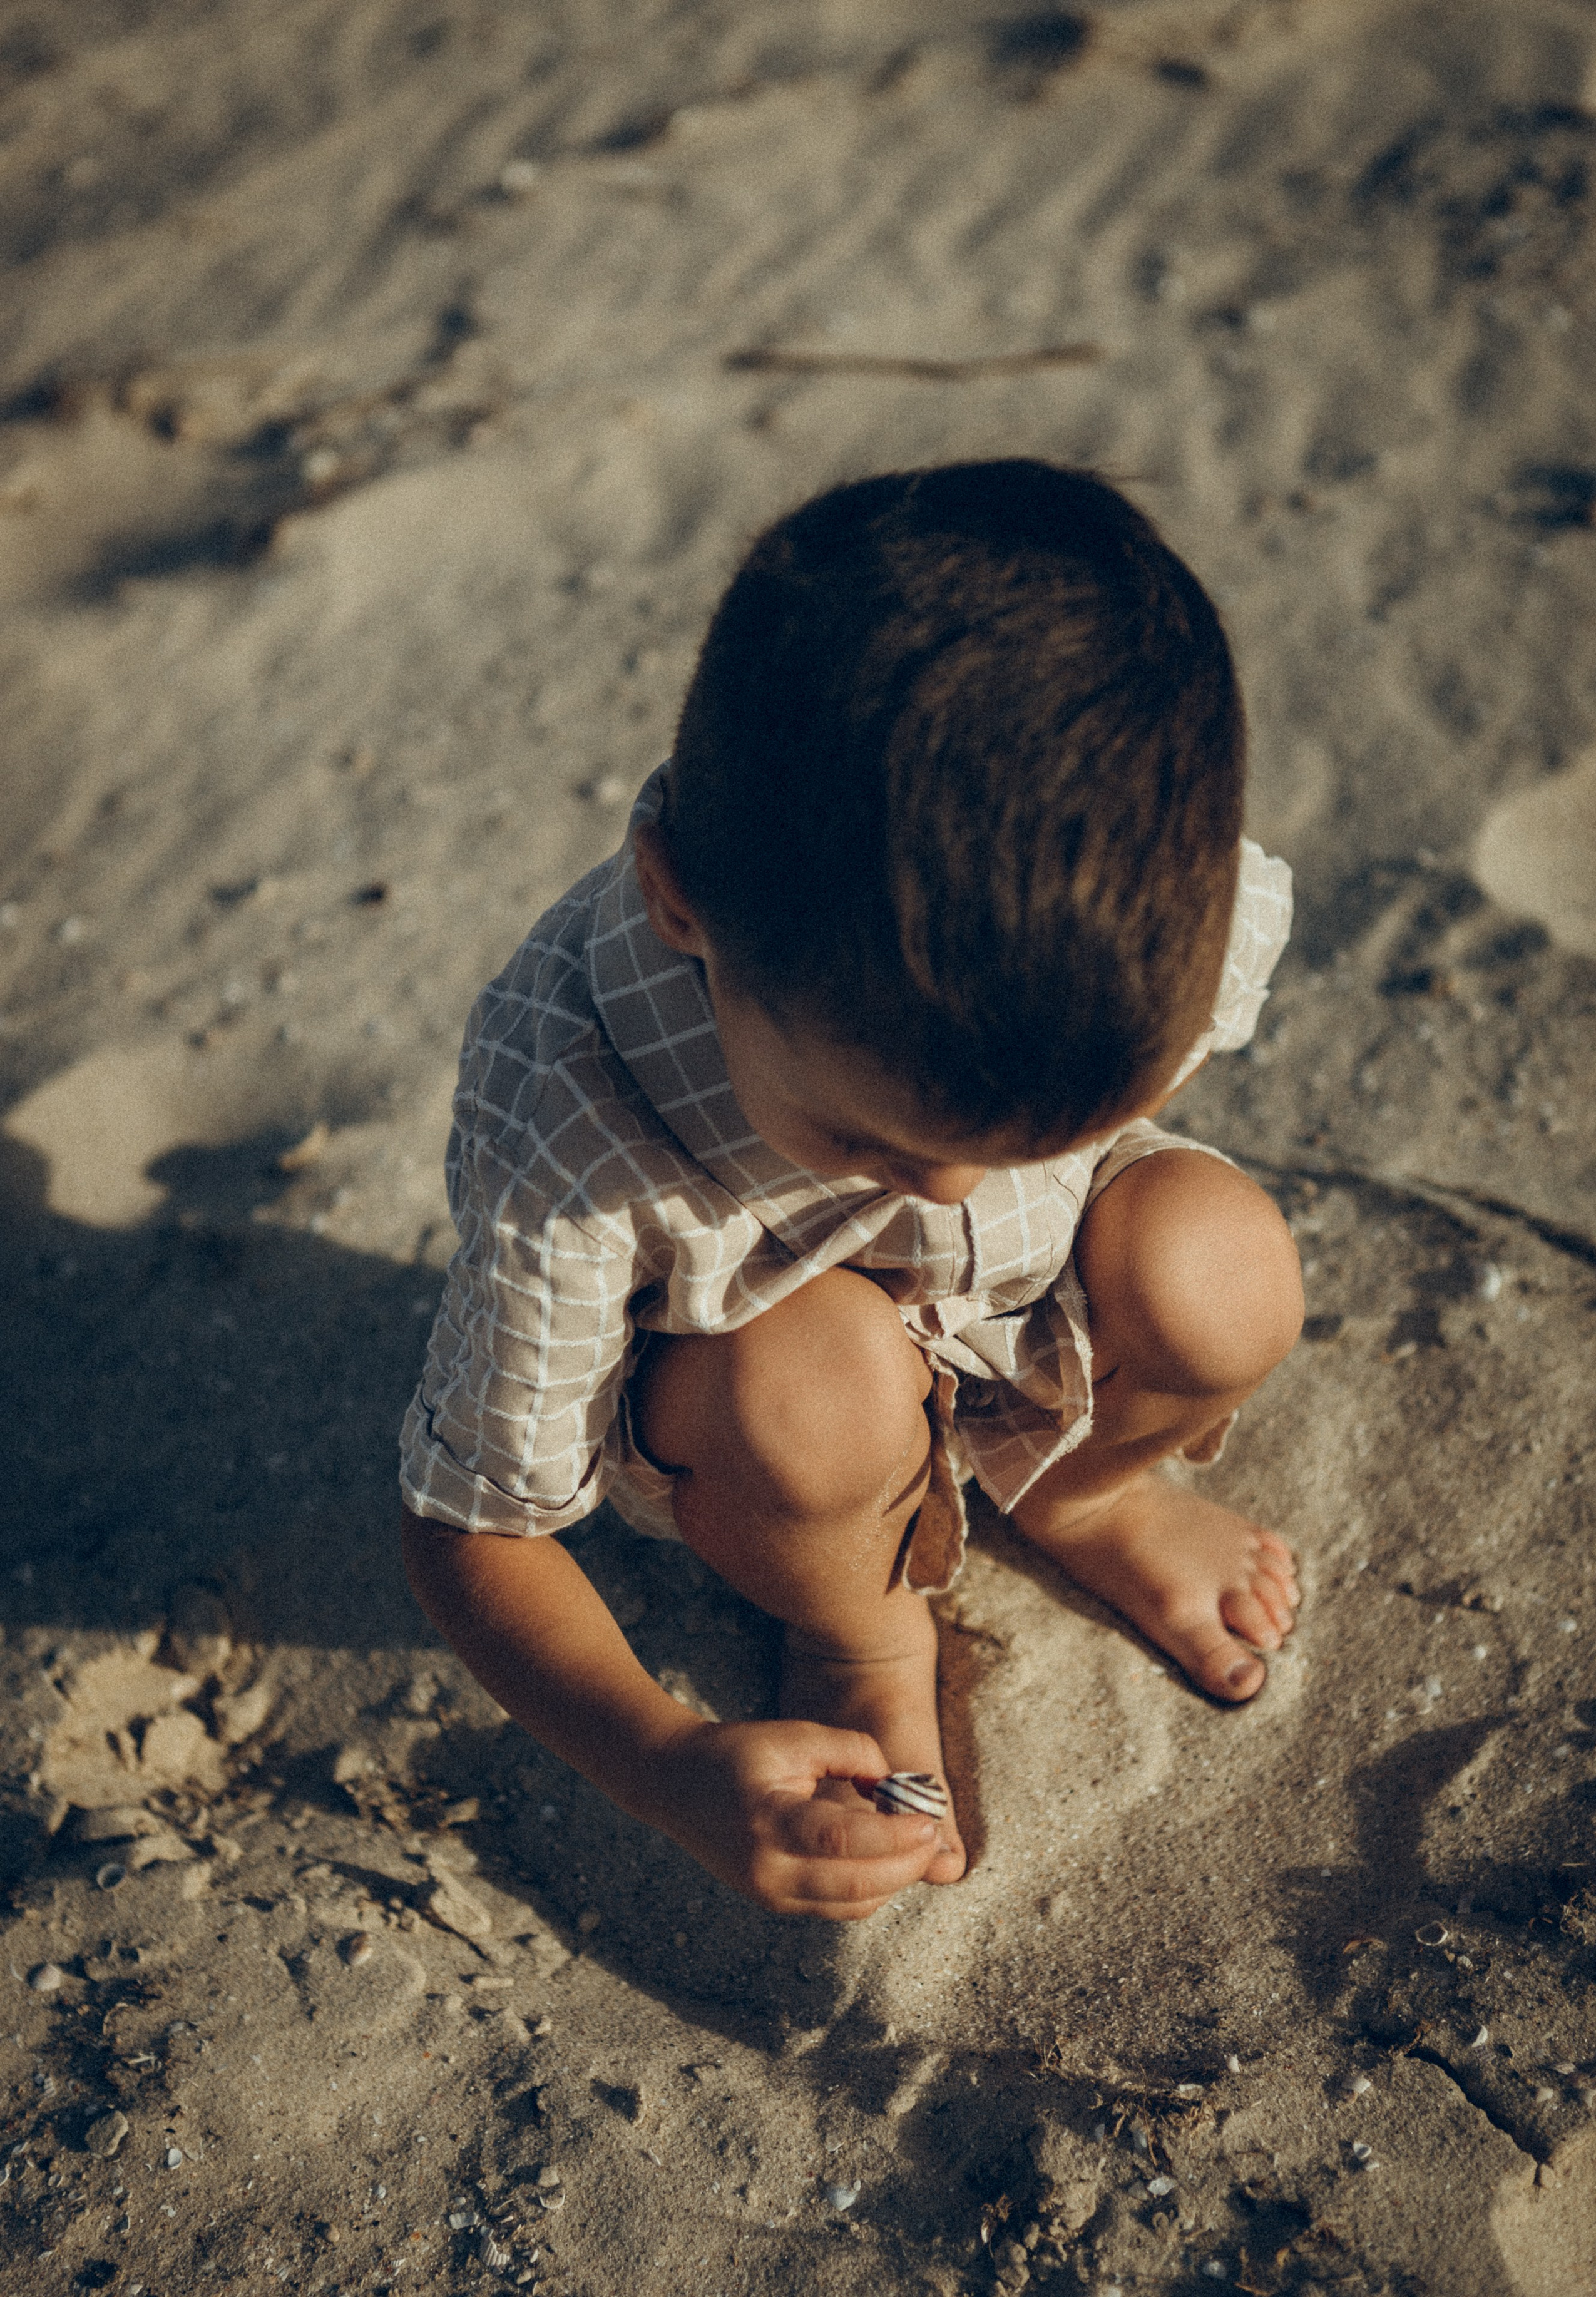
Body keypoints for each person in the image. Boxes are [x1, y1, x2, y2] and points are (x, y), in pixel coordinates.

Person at [399, 461, 1305, 1922]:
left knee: (1222, 1268)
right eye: (872, 1142)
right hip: (752, 1397)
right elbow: (468, 1526)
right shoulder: (568, 1112)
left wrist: (1084, 1163)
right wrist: (664, 1762)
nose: (951, 1193)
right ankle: (864, 1628)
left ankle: (1078, 1493)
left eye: (1040, 1134)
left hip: (1016, 1321)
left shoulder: (1161, 902)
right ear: (677, 900)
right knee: (811, 1384)